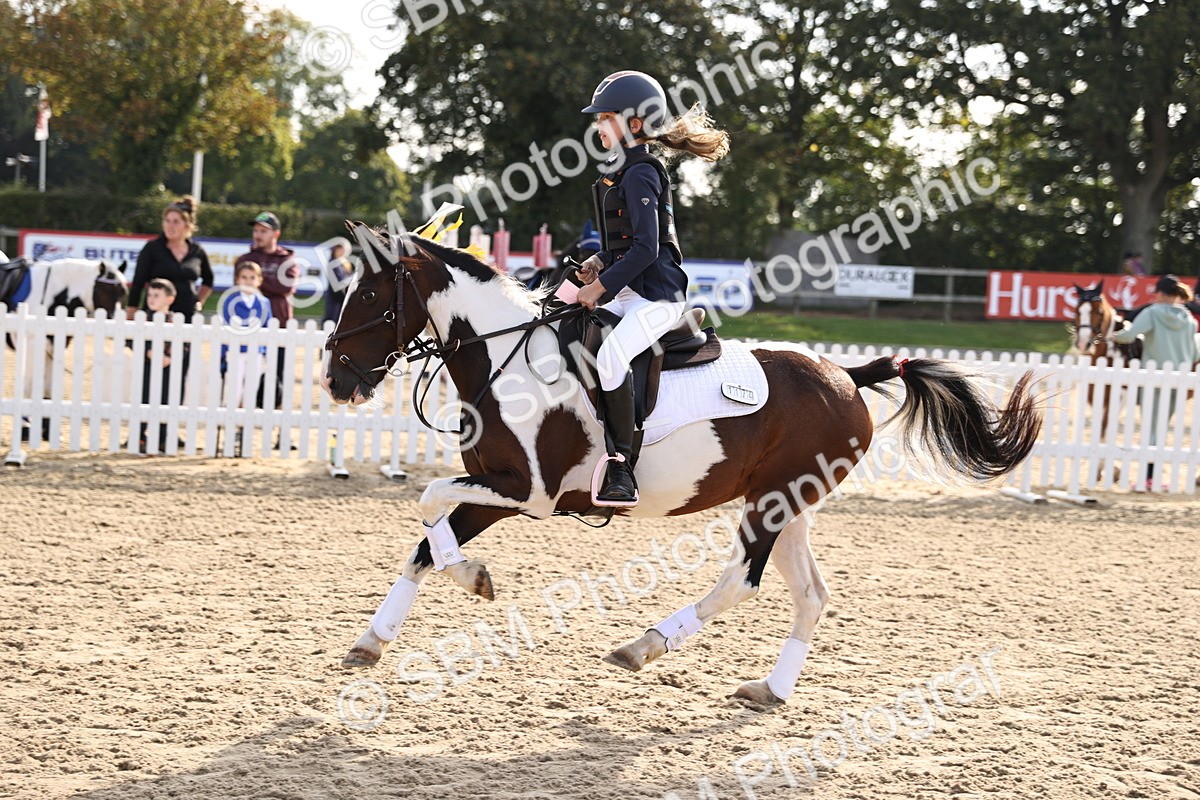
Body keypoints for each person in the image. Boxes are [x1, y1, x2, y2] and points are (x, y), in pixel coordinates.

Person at [574, 70, 730, 506]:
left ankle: (622, 467)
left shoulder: (642, 172)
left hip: (657, 298)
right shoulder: (623, 171)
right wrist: (598, 262)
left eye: (605, 118)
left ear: (634, 125)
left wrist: (599, 287)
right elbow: (623, 245)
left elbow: (646, 249)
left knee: (609, 359)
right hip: (628, 295)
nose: (598, 126)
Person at [1111, 275, 1200, 491]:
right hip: (1178, 380)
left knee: (1150, 427)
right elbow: (1195, 352)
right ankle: (1154, 476)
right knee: (1160, 428)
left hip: (1153, 378)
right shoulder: (1189, 319)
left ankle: (1147, 478)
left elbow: (1130, 335)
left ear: (1160, 293)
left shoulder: (1152, 312)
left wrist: (1110, 336)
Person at [235, 211, 300, 410]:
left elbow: (286, 286)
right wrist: (267, 283)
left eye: (263, 231)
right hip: (249, 326)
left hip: (279, 325)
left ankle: (279, 432)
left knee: (279, 378)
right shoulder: (245, 258)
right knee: (244, 377)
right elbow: (240, 287)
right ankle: (240, 424)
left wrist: (257, 279)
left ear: (275, 234)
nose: (258, 234)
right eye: (256, 230)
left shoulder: (287, 259)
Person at [128, 195, 214, 324]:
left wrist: (199, 301)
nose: (170, 226)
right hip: (156, 316)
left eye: (176, 222)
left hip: (187, 316)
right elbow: (138, 283)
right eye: (167, 221)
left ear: (187, 225)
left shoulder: (197, 250)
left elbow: (209, 279)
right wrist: (131, 312)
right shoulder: (152, 248)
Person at [220, 262, 273, 456]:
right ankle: (231, 429)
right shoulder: (230, 300)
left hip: (256, 352)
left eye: (252, 278)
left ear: (259, 280)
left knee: (251, 390)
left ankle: (244, 431)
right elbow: (224, 327)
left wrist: (266, 352)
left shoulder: (264, 302)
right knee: (234, 391)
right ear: (237, 280)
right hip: (235, 352)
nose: (248, 281)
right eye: (244, 277)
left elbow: (269, 327)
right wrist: (223, 353)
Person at [135, 278, 183, 454]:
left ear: (169, 299)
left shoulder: (175, 321)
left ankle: (163, 438)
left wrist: (169, 355)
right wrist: (147, 351)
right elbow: (133, 340)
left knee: (166, 401)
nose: (151, 299)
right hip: (146, 369)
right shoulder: (143, 318)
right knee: (144, 400)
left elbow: (183, 344)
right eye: (149, 295)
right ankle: (140, 436)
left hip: (168, 370)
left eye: (156, 295)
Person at [322, 238, 353, 326]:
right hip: (334, 295)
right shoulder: (333, 262)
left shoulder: (344, 262)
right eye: (338, 248)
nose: (340, 251)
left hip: (342, 295)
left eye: (342, 248)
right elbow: (338, 279)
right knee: (331, 318)